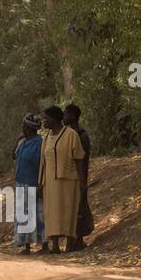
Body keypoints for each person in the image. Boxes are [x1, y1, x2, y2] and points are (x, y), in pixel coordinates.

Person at [38, 105, 84, 255]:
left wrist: (83, 182)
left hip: (69, 180)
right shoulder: (46, 138)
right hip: (50, 182)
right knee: (52, 212)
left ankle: (69, 243)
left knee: (68, 210)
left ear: (54, 119)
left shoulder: (71, 135)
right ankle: (55, 245)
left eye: (46, 118)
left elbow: (79, 159)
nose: (44, 121)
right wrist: (40, 182)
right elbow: (43, 163)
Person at [63, 103, 95, 250]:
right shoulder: (68, 134)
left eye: (66, 114)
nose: (64, 117)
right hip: (69, 177)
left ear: (73, 116)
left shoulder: (81, 135)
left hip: (79, 176)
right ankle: (71, 241)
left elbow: (82, 160)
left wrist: (82, 181)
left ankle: (78, 240)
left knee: (80, 208)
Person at [12, 114, 45, 254]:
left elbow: (42, 164)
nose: (22, 128)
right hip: (21, 183)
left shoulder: (39, 143)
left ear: (29, 127)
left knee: (38, 214)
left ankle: (44, 245)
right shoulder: (23, 141)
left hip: (34, 183)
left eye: (24, 125)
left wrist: (40, 184)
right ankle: (26, 246)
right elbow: (13, 155)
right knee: (24, 215)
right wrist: (18, 140)